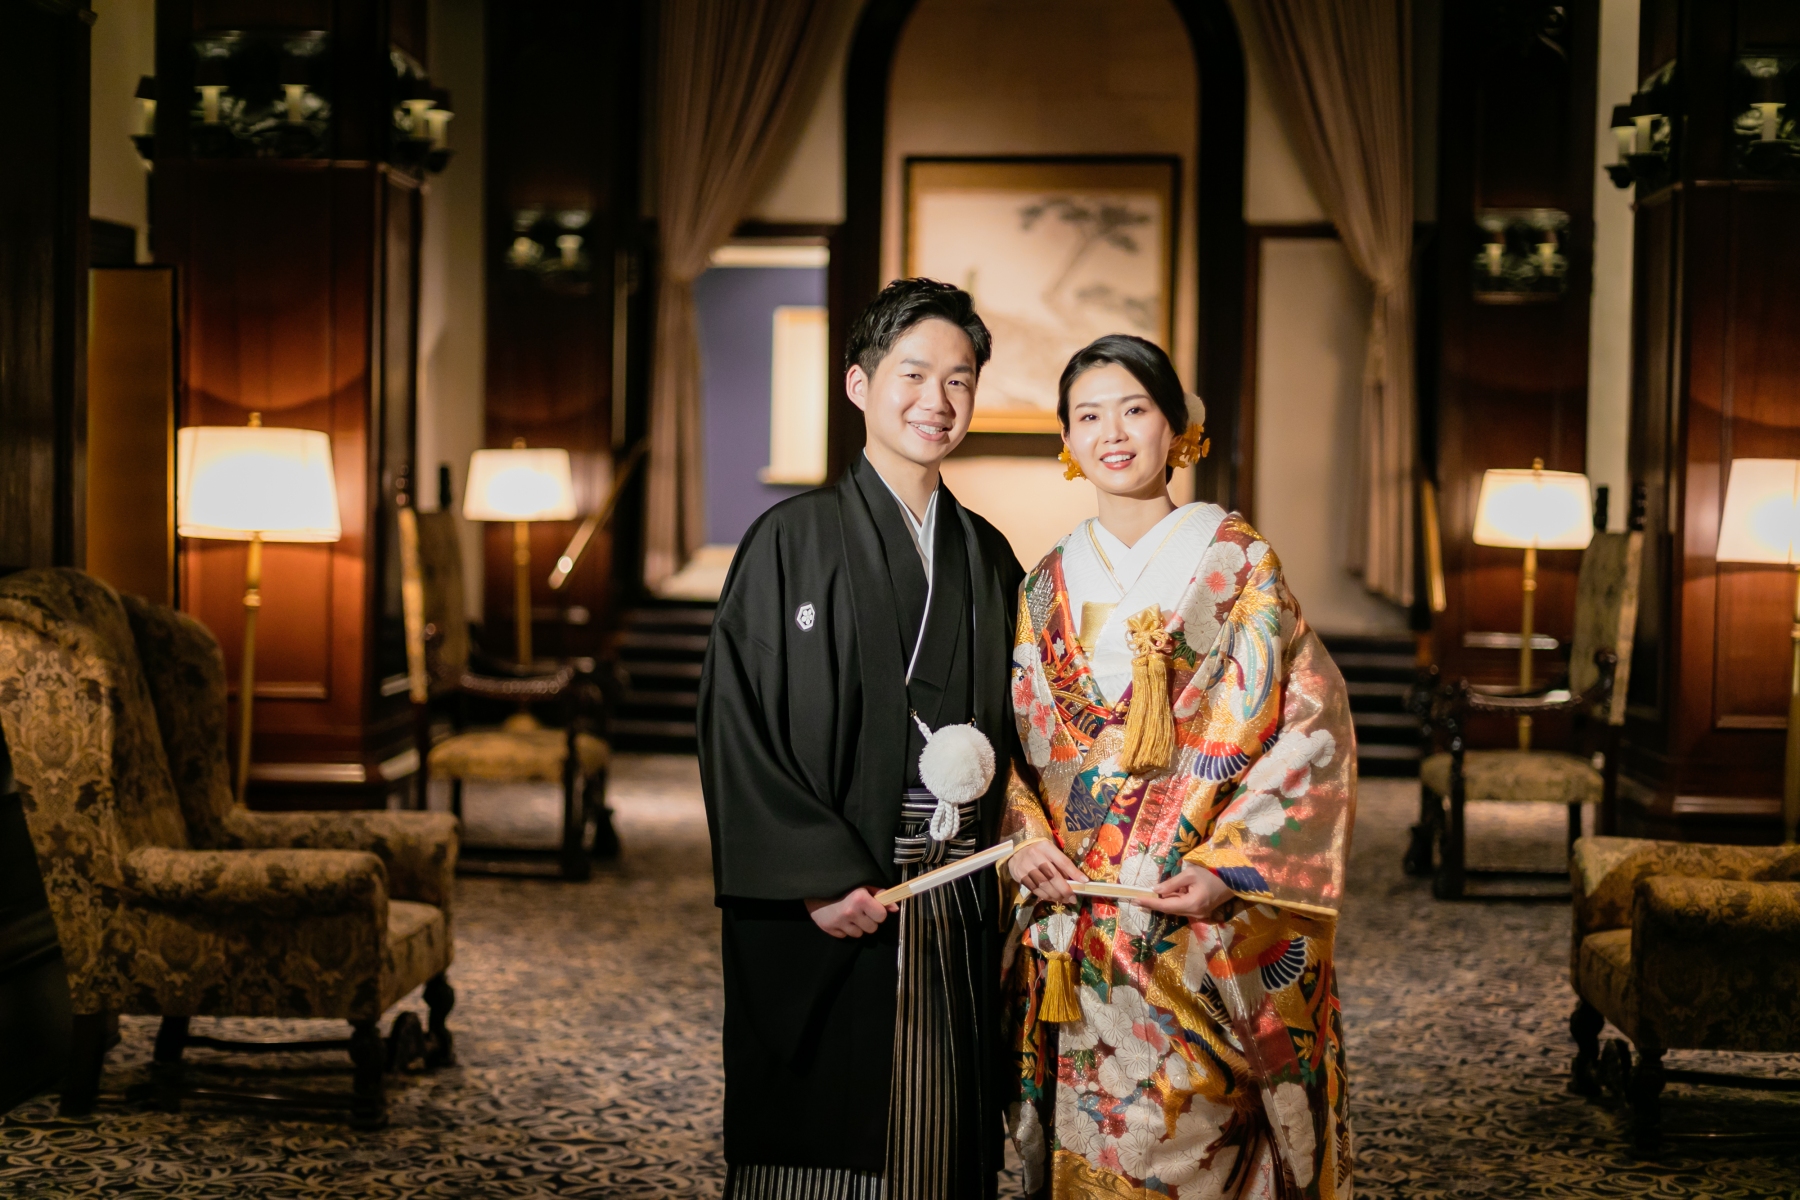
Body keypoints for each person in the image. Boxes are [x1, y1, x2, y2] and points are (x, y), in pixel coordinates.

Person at [1001, 334, 1356, 1199]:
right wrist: (1025, 836)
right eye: (1089, 416)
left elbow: (1308, 728)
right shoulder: (1043, 584)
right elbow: (1013, 746)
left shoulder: (1239, 563)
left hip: (1196, 913)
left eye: (1135, 409)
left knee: (1200, 1137)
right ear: (1067, 438)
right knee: (1092, 1142)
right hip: (1081, 915)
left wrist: (1226, 865)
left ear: (1177, 427)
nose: (1113, 433)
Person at [698, 278, 1026, 1200]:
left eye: (959, 381)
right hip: (830, 900)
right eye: (912, 374)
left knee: (937, 1134)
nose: (936, 401)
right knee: (819, 1142)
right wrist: (812, 874)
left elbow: (1031, 724)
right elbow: (736, 726)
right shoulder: (787, 542)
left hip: (952, 888)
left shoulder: (988, 555)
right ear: (859, 384)